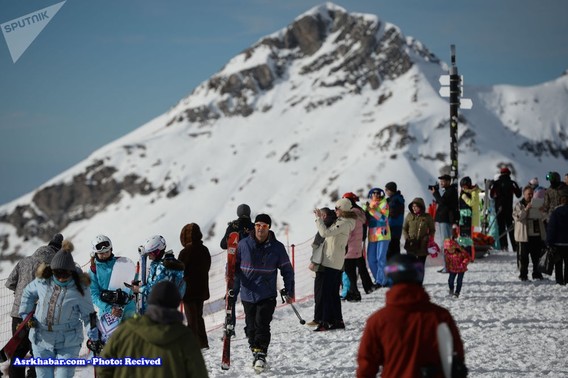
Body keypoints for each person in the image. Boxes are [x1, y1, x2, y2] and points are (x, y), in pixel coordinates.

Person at [357, 254, 467, 378]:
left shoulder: (378, 321)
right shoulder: (440, 316)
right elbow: (456, 359)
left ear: (390, 277)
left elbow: (366, 366)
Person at [97, 280, 209, 378]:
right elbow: (198, 374)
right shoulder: (185, 337)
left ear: (150, 301)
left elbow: (105, 366)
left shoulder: (126, 330)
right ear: (176, 303)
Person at [19, 247, 97, 378]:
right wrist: (26, 315)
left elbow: (89, 315)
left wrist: (94, 335)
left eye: (65, 274)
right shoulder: (42, 280)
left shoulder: (80, 288)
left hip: (68, 341)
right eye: (58, 274)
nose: (61, 278)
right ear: (52, 271)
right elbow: (28, 293)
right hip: (41, 339)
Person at [235, 213, 295, 370]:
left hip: (267, 293)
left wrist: (289, 290)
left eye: (264, 226)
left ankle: (261, 353)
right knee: (250, 327)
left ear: (269, 228)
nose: (260, 229)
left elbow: (287, 270)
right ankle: (255, 349)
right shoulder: (243, 245)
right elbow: (233, 266)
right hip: (248, 293)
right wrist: (231, 281)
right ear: (254, 227)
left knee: (262, 323)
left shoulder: (277, 248)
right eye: (258, 225)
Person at [5, 233, 64, 378]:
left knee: (18, 351)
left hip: (19, 315)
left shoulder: (24, 261)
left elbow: (10, 283)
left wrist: (19, 293)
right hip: (40, 316)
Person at [312, 199, 356, 333]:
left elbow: (324, 233)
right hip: (334, 261)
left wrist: (318, 219)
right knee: (332, 293)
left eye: (337, 208)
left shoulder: (344, 223)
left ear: (343, 209)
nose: (335, 210)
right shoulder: (342, 222)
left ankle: (324, 321)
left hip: (332, 262)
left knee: (326, 293)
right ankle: (337, 320)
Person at [89, 235, 136, 342]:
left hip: (128, 306)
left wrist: (134, 285)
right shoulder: (94, 269)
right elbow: (93, 295)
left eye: (107, 251)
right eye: (101, 253)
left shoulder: (121, 263)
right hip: (108, 311)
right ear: (95, 253)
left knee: (131, 338)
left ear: (111, 249)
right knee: (113, 342)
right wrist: (109, 309)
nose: (104, 255)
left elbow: (131, 279)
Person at [219, 203, 254, 336]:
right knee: (249, 298)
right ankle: (250, 327)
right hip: (250, 267)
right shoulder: (253, 227)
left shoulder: (232, 226)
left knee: (231, 296)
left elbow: (223, 245)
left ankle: (230, 325)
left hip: (234, 265)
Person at [177, 223, 211, 349]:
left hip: (188, 291)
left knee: (191, 319)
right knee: (198, 317)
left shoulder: (185, 252)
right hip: (201, 289)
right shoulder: (204, 249)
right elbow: (207, 267)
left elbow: (179, 271)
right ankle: (203, 342)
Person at [134, 235, 186, 314]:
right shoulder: (158, 264)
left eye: (150, 254)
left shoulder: (165, 267)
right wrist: (140, 284)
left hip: (162, 312)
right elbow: (153, 284)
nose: (149, 257)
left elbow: (155, 290)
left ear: (157, 252)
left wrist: (138, 289)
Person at [342, 192, 374, 301]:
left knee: (349, 271)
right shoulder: (360, 211)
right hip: (357, 243)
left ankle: (354, 293)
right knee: (360, 267)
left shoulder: (351, 214)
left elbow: (349, 232)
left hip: (349, 246)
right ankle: (368, 286)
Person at [308, 207, 336, 326]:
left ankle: (319, 318)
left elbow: (320, 247)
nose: (321, 217)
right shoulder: (331, 225)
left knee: (320, 293)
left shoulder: (326, 227)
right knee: (322, 292)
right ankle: (321, 317)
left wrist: (313, 261)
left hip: (322, 264)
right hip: (325, 264)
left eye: (322, 215)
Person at [513, 186, 547, 281]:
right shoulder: (519, 205)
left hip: (536, 235)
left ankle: (537, 274)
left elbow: (545, 218)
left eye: (532, 194)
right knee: (523, 258)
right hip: (524, 236)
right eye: (529, 194)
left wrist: (543, 211)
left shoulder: (537, 204)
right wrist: (526, 209)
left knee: (537, 257)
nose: (531, 196)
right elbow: (518, 217)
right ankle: (523, 275)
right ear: (524, 194)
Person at [402, 197, 436, 283]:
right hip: (411, 244)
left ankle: (419, 282)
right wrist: (407, 238)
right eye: (413, 206)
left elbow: (432, 229)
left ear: (421, 207)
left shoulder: (427, 217)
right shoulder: (409, 216)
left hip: (422, 245)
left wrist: (428, 237)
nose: (414, 208)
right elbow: (404, 228)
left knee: (420, 265)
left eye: (416, 206)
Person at [430, 174, 459, 272]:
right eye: (440, 181)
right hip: (444, 220)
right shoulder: (449, 191)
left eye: (443, 181)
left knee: (446, 244)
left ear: (448, 181)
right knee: (446, 243)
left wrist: (435, 193)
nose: (441, 183)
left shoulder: (451, 191)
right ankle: (447, 265)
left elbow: (442, 202)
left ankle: (448, 266)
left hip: (446, 220)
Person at [490, 167, 522, 252]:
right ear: (509, 174)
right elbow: (518, 195)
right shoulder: (512, 183)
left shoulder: (496, 183)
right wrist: (520, 189)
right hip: (509, 210)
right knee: (511, 228)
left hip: (499, 209)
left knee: (501, 228)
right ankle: (515, 247)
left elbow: (491, 195)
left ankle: (504, 247)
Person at [364, 188, 391, 287]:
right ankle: (380, 279)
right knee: (371, 259)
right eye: (374, 193)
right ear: (371, 195)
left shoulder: (384, 204)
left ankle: (380, 281)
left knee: (381, 258)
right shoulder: (369, 205)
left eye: (378, 193)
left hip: (383, 234)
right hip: (372, 235)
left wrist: (371, 211)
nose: (376, 195)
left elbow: (383, 218)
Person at [546, 187, 568, 285]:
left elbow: (551, 228)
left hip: (557, 243)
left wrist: (549, 242)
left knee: (558, 263)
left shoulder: (555, 213)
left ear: (560, 201)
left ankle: (559, 281)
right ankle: (567, 280)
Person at [458, 177, 481, 257]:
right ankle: (467, 254)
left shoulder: (470, 193)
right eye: (462, 186)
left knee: (467, 237)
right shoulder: (472, 192)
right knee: (465, 237)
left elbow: (471, 203)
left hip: (468, 218)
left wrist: (464, 197)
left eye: (464, 186)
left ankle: (469, 255)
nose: (463, 188)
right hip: (468, 217)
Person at [385, 182, 405, 260]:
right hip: (396, 226)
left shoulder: (395, 200)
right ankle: (395, 266)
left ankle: (393, 267)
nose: (385, 191)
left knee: (391, 249)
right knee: (394, 247)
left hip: (393, 227)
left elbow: (391, 213)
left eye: (387, 189)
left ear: (391, 190)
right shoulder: (396, 199)